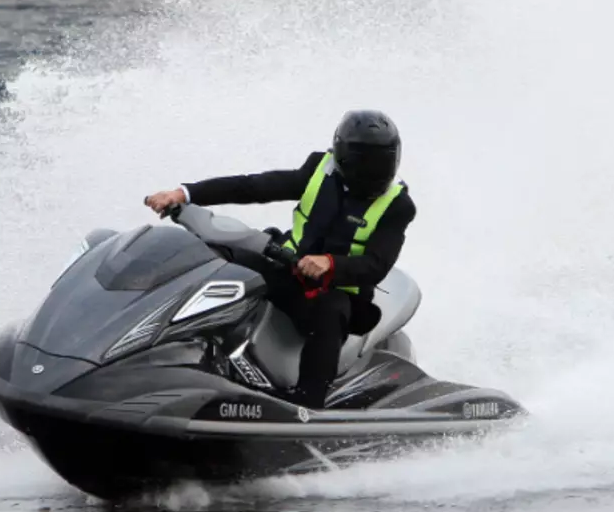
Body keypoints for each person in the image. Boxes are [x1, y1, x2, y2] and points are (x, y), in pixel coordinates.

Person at [144, 109, 416, 409]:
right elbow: (254, 187)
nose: (375, 171)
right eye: (367, 162)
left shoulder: (398, 206)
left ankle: (308, 403)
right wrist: (185, 193)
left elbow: (376, 265)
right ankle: (163, 347)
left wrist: (331, 264)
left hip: (335, 294)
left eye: (382, 161)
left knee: (331, 308)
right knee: (217, 257)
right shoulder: (319, 169)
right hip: (286, 270)